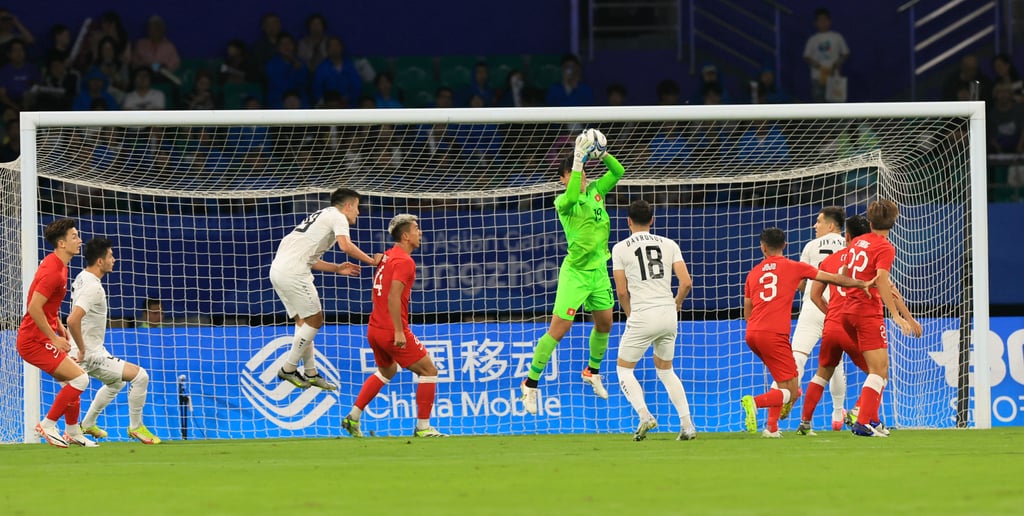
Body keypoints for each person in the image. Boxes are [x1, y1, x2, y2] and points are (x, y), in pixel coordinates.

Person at [519, 130, 625, 415]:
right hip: (575, 273)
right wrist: (578, 159)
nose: (581, 178)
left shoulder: (596, 192)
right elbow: (571, 191)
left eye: (581, 173)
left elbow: (619, 171)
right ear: (564, 178)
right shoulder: (564, 203)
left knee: (604, 324)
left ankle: (592, 371)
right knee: (559, 329)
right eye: (573, 174)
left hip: (598, 271)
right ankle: (530, 383)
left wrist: (602, 155)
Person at [739, 227, 868, 438]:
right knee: (791, 391)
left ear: (762, 247)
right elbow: (834, 279)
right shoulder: (794, 267)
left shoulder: (753, 273)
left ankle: (771, 428)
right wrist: (860, 283)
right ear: (785, 245)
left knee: (785, 385)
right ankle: (754, 402)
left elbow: (747, 311)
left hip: (752, 333)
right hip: (774, 335)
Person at [341, 214, 445, 437]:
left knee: (387, 370)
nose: (420, 233)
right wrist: (399, 330)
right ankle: (423, 428)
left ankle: (353, 417)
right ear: (406, 236)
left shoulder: (388, 256)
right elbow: (393, 296)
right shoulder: (404, 261)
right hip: (391, 329)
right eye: (416, 229)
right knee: (429, 370)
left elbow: (381, 266)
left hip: (374, 328)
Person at [270, 188, 375, 391]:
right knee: (315, 320)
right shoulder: (338, 217)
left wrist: (336, 268)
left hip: (278, 270)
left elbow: (309, 257)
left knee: (304, 324)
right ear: (348, 205)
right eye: (357, 207)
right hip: (294, 273)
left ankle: (311, 372)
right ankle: (288, 368)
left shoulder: (323, 215)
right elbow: (346, 246)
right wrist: (371, 261)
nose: (358, 212)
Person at [611, 199, 696, 441]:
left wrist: (630, 314)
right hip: (668, 313)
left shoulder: (620, 248)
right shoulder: (669, 244)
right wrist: (677, 302)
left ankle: (644, 414)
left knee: (623, 369)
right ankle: (687, 425)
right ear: (652, 221)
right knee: (666, 370)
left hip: (642, 314)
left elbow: (622, 291)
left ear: (628, 222)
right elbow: (687, 282)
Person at [68, 238, 161, 444]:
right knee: (141, 376)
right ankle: (136, 428)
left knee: (116, 382)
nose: (114, 259)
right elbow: (73, 319)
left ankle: (88, 423)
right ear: (100, 261)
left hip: (85, 351)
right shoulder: (93, 287)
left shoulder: (81, 278)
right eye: (110, 255)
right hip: (89, 354)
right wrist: (82, 349)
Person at [845, 200, 923, 437]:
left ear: (870, 222)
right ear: (894, 222)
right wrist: (897, 317)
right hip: (867, 313)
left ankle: (874, 420)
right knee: (879, 371)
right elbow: (881, 280)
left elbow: (847, 273)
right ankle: (862, 421)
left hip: (847, 310)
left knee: (879, 371)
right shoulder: (885, 248)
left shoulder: (858, 241)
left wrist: (861, 284)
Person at [796, 215, 873, 436]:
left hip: (830, 323)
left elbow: (813, 293)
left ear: (846, 235)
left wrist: (831, 314)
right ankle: (858, 412)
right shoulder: (863, 259)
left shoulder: (827, 261)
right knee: (877, 373)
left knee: (821, 373)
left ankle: (804, 422)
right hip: (850, 324)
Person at [16, 218, 89, 448]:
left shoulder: (57, 265)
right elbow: (34, 308)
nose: (79, 240)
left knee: (70, 380)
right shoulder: (53, 272)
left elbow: (47, 306)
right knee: (80, 378)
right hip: (33, 341)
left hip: (40, 335)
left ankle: (73, 431)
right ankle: (47, 424)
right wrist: (53, 338)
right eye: (74, 236)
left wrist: (59, 325)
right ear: (61, 243)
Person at [787, 207, 849, 430]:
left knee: (798, 356)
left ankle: (783, 400)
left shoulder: (811, 247)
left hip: (813, 306)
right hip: (838, 308)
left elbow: (801, 281)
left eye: (819, 222)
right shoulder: (849, 246)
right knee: (835, 363)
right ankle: (837, 413)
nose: (815, 226)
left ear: (831, 226)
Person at [802, 8, 849, 102]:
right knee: (819, 106)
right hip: (817, 78)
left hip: (834, 77)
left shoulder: (837, 37)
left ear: (829, 21)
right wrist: (819, 67)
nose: (823, 22)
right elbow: (806, 56)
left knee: (836, 107)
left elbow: (846, 53)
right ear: (815, 23)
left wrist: (836, 65)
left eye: (825, 20)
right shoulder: (813, 39)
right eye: (820, 20)